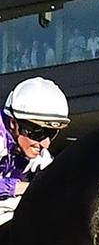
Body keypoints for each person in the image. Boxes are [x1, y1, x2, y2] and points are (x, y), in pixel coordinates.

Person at [0, 77, 68, 221]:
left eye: (51, 134)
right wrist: (22, 187)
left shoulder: (40, 154)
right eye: (38, 133)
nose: (45, 144)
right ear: (13, 123)